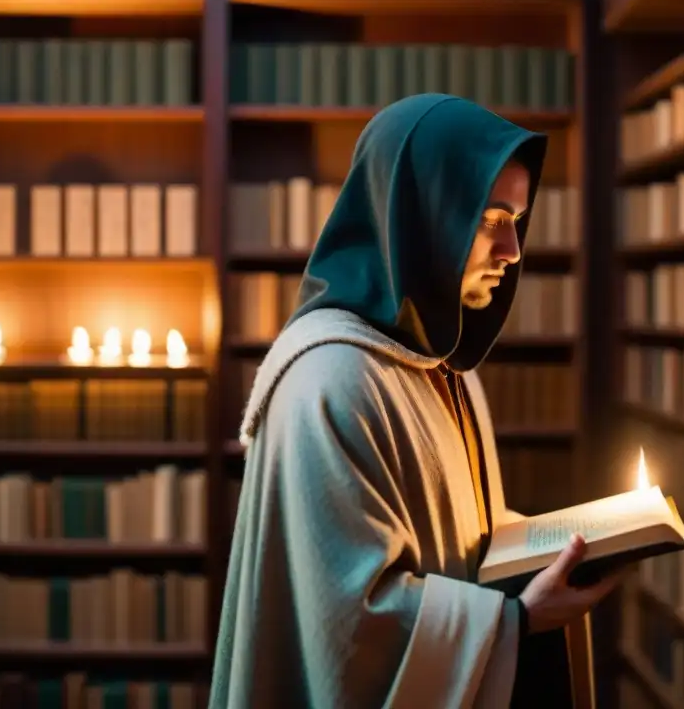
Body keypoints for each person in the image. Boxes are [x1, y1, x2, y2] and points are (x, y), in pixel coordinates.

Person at [209, 93, 622, 709]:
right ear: (420, 215)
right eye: (489, 219)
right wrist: (517, 622)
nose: (511, 253)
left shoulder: (446, 368)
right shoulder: (329, 380)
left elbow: (465, 551)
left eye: (518, 221)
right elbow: (351, 633)